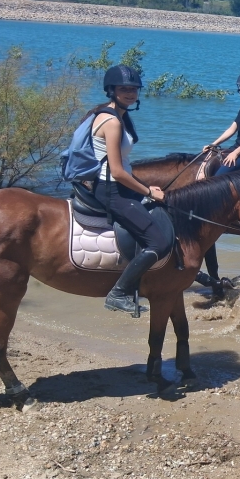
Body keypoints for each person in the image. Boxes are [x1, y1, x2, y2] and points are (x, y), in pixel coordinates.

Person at [88, 65, 171, 315]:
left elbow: (123, 165)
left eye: (134, 89)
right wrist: (148, 192)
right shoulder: (112, 122)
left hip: (117, 185)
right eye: (124, 89)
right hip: (110, 189)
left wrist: (146, 187)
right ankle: (119, 293)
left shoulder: (118, 115)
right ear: (111, 90)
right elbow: (117, 172)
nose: (131, 93)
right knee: (158, 242)